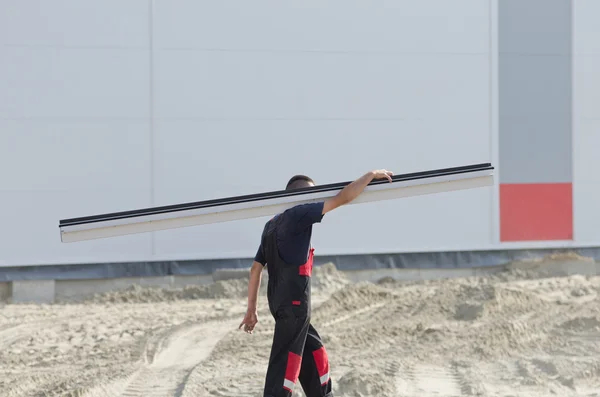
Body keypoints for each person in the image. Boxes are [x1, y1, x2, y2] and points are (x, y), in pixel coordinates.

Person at [239, 169, 394, 397]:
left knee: (316, 359)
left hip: (287, 310)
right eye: (315, 195)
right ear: (303, 198)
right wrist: (370, 175)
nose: (319, 200)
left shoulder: (270, 225)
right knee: (283, 376)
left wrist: (251, 310)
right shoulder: (299, 214)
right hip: (294, 309)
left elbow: (255, 269)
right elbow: (343, 197)